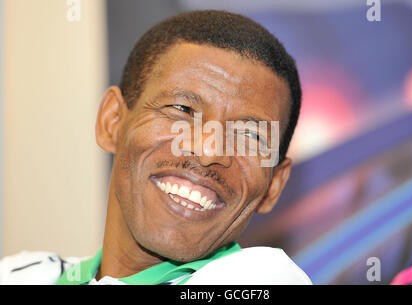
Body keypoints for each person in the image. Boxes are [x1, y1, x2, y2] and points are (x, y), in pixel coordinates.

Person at [0, 10, 310, 285]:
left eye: (249, 137)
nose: (208, 153)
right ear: (113, 121)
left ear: (273, 185)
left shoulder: (264, 278)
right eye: (183, 110)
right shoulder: (23, 274)